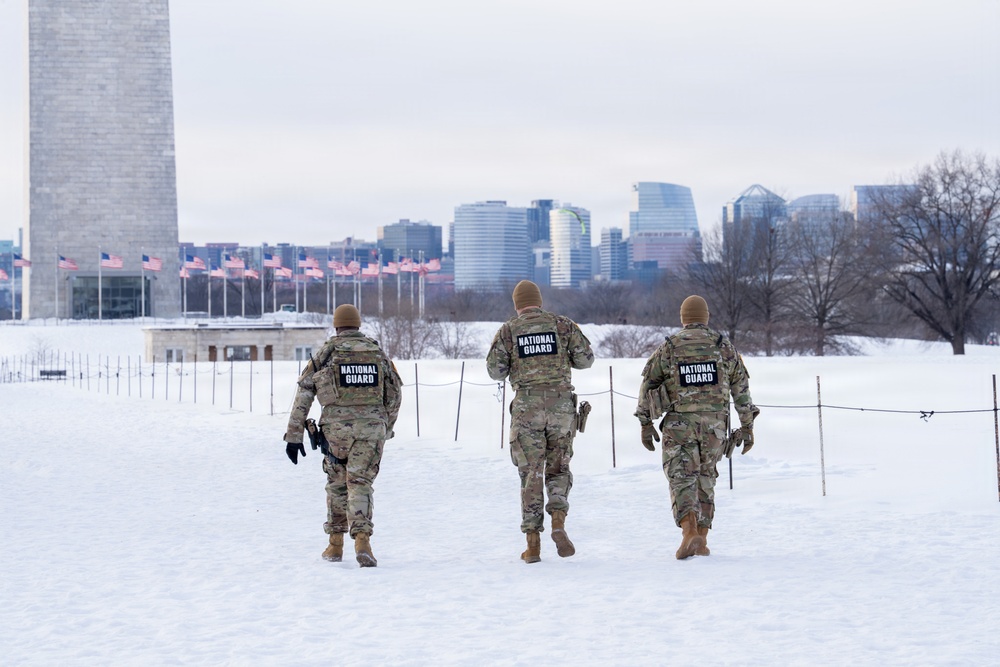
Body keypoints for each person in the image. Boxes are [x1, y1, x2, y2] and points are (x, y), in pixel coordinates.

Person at [634, 295, 758, 560]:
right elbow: (741, 389)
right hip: (715, 425)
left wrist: (645, 422)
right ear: (706, 317)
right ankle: (702, 538)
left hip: (680, 424)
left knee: (681, 476)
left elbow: (648, 384)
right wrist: (747, 426)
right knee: (706, 477)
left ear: (683, 318)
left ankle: (689, 531)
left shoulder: (670, 347)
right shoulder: (723, 347)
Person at [283, 304, 402, 568]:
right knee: (360, 483)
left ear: (337, 326)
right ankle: (362, 541)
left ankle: (335, 544)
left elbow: (304, 394)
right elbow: (395, 394)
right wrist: (386, 427)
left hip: (336, 434)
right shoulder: (377, 353)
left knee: (337, 483)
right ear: (358, 325)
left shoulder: (326, 353)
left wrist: (294, 435)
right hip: (371, 430)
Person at [487, 280, 595, 564]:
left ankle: (532, 544)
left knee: (530, 474)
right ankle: (558, 521)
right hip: (561, 407)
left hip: (527, 408)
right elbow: (586, 361)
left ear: (517, 304)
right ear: (539, 301)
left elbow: (495, 371)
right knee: (559, 468)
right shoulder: (562, 325)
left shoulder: (510, 330)